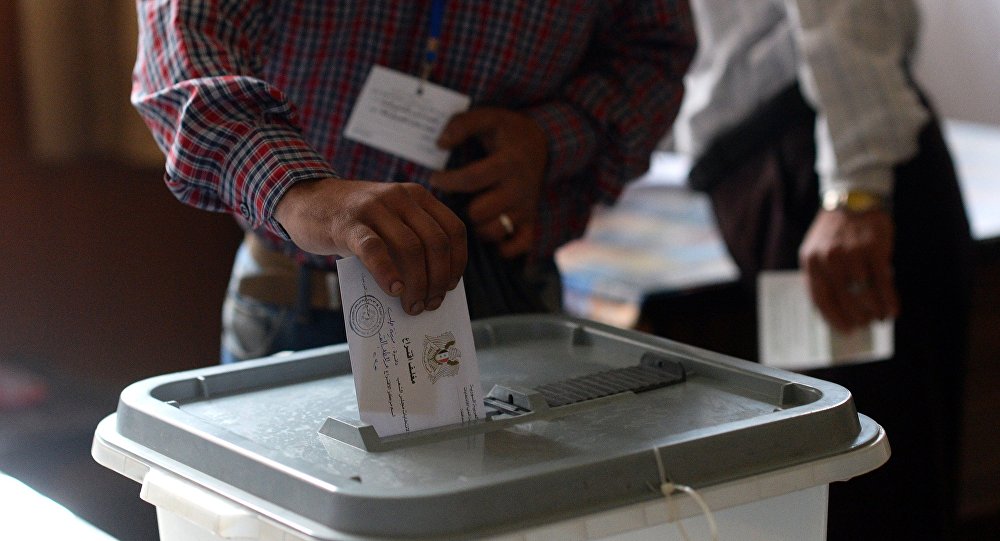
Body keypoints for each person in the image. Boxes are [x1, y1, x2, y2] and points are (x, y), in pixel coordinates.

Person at [131, 1, 696, 362]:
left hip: (510, 302)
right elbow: (186, 38)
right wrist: (298, 189)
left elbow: (654, 52)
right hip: (298, 305)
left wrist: (552, 139)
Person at [670, 1, 973, 539]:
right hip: (795, 165)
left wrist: (855, 191)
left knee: (874, 496)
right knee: (847, 493)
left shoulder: (846, 188)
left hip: (828, 175)